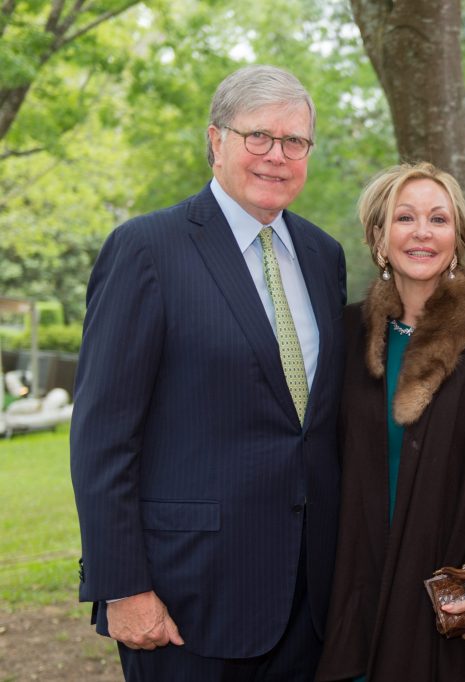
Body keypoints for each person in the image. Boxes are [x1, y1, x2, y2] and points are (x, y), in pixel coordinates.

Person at [70, 65, 347, 681]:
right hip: (185, 599)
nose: (277, 156)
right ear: (216, 140)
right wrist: (122, 587)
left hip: (309, 599)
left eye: (294, 141)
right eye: (259, 137)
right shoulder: (146, 249)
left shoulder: (325, 256)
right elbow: (102, 435)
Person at [315, 162, 465, 682]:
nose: (422, 232)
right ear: (379, 237)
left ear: (457, 240)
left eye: (438, 219)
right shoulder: (347, 333)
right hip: (355, 586)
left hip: (442, 592)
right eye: (405, 217)